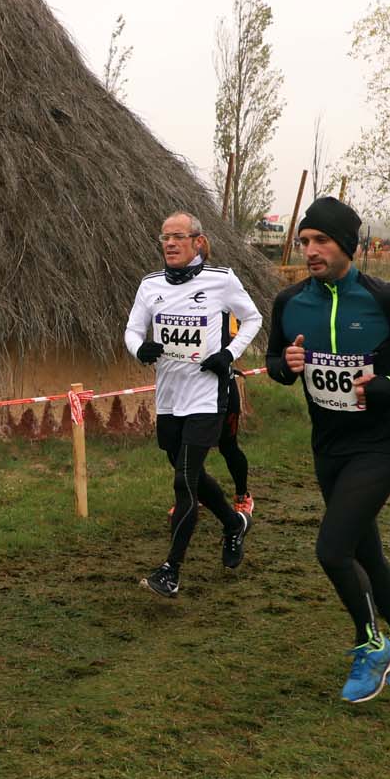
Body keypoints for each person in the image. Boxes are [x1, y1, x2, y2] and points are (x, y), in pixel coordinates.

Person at [265, 197, 390, 704]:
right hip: (328, 445)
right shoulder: (290, 302)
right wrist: (288, 363)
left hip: (381, 443)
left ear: (347, 245)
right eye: (304, 241)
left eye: (321, 240)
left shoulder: (385, 298)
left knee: (332, 549)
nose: (310, 250)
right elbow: (274, 362)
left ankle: (371, 644)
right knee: (366, 550)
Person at [126, 212, 262, 596]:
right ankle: (234, 524)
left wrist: (229, 353)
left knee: (184, 480)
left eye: (178, 237)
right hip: (169, 398)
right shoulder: (150, 285)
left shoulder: (221, 280)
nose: (169, 244)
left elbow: (252, 318)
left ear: (197, 242)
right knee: (190, 474)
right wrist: (141, 348)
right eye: (164, 237)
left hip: (207, 396)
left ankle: (171, 569)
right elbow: (133, 329)